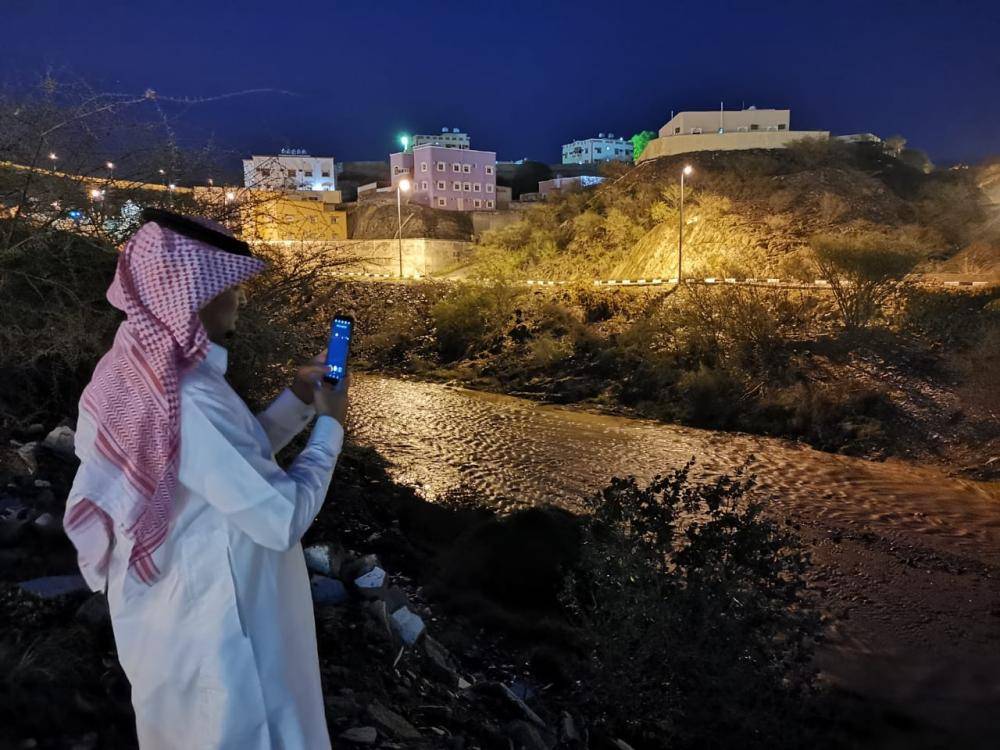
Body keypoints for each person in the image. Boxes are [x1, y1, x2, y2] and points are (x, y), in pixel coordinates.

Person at [63, 209, 347, 748]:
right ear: (195, 292)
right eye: (232, 285)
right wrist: (331, 426)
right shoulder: (188, 396)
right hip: (220, 631)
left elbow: (224, 464)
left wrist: (299, 399)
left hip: (171, 615)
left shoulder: (131, 371)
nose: (239, 298)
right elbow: (280, 516)